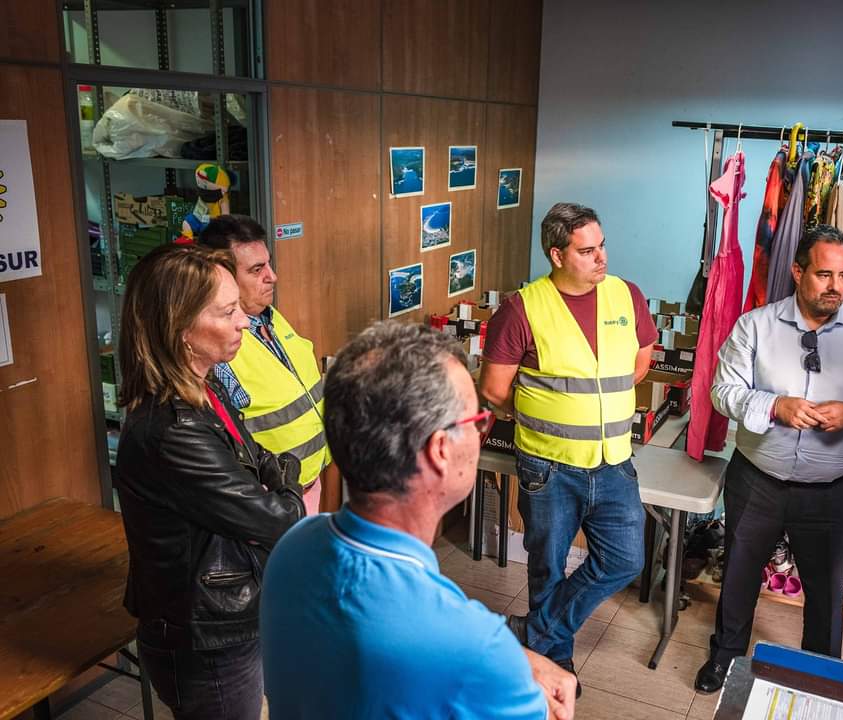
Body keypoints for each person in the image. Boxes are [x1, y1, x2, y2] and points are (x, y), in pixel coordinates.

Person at [260, 322, 576, 719]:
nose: (482, 430)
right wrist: (506, 666)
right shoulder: (480, 656)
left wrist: (508, 654)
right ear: (441, 449)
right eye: (477, 419)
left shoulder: (293, 547)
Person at [695, 225, 843, 693]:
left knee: (826, 592)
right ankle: (726, 658)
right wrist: (774, 406)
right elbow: (722, 392)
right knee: (737, 575)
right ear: (797, 272)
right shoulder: (754, 325)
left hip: (834, 490)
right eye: (823, 274)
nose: (835, 286)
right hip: (759, 479)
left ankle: (818, 680)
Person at [114, 244, 306, 720]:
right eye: (227, 312)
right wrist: (284, 494)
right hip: (208, 637)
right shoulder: (172, 430)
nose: (244, 321)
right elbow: (279, 518)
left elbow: (269, 459)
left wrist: (275, 483)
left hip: (232, 613)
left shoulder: (207, 385)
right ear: (180, 331)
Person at [479, 202, 658, 692]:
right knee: (547, 568)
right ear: (557, 254)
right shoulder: (522, 308)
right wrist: (544, 413)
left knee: (625, 560)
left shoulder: (627, 295)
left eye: (601, 246)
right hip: (549, 467)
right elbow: (495, 389)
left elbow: (640, 364)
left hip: (615, 461)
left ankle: (532, 634)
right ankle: (556, 667)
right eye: (587, 250)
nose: (601, 258)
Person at [199, 214, 341, 515]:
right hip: (270, 504)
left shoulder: (271, 317)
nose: (272, 276)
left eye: (268, 264)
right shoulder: (224, 350)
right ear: (222, 278)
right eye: (256, 270)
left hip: (311, 486)